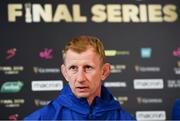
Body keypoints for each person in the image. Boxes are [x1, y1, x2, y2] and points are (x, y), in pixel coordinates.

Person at [24, 35, 135, 120]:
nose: (80, 78)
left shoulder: (125, 119)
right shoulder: (42, 118)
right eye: (73, 68)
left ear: (104, 71)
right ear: (65, 73)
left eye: (88, 68)